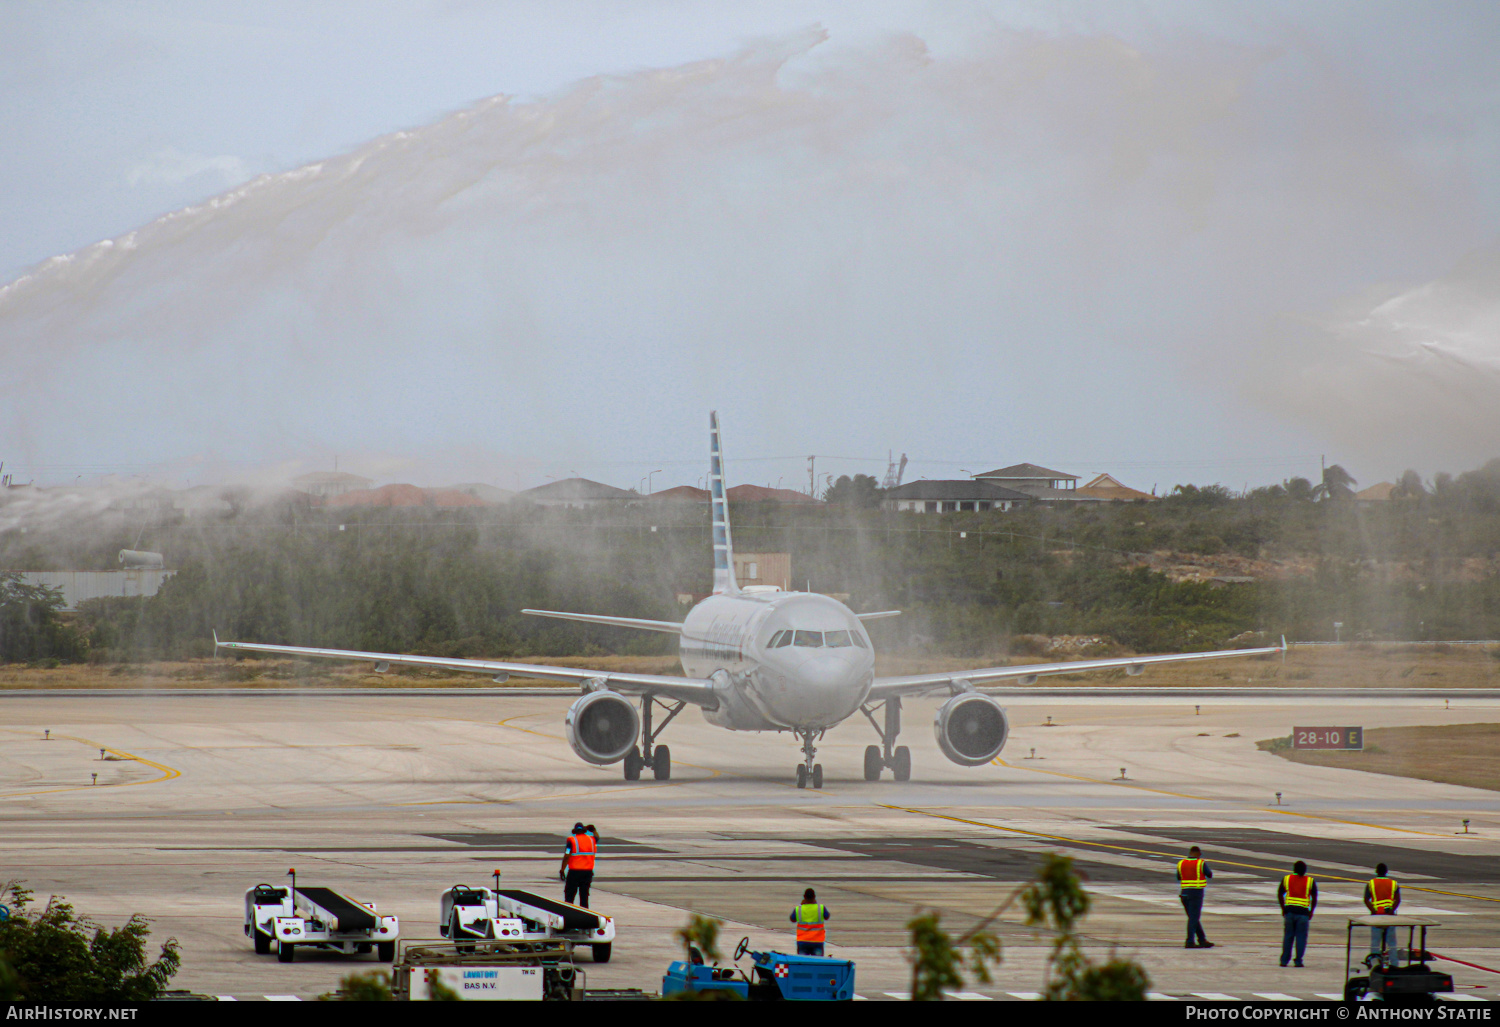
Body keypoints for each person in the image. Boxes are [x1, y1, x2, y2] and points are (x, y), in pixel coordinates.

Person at [1277, 860, 1317, 967]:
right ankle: (1298, 960)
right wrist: (1311, 911)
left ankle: (1284, 960)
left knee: (1288, 936)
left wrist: (1283, 908)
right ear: (1305, 870)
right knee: (1301, 938)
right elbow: (1314, 898)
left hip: (1289, 912)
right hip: (1303, 913)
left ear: (1294, 869)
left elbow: (1280, 893)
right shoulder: (1310, 881)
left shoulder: (1287, 879)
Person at [1177, 845, 1215, 949]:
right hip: (1196, 893)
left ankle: (1202, 939)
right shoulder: (1200, 863)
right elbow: (1209, 874)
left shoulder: (1181, 863)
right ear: (1198, 853)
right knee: (1194, 918)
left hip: (1184, 893)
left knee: (1193, 917)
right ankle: (1189, 941)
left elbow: (1178, 877)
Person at [1364, 863, 1401, 960]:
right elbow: (1398, 899)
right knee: (1392, 943)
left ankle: (1375, 963)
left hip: (1376, 916)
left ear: (1376, 871)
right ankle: (1394, 964)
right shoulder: (1393, 883)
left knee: (1375, 942)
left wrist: (1373, 911)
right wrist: (1391, 910)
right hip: (1389, 916)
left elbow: (1366, 899)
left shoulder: (1371, 883)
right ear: (1386, 872)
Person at [558, 823, 597, 908]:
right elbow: (597, 837)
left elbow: (567, 855)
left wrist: (562, 869)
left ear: (575, 831)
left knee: (569, 896)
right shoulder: (591, 840)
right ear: (584, 831)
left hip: (574, 873)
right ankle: (585, 915)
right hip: (587, 873)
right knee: (584, 896)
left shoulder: (572, 840)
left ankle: (568, 913)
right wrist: (593, 830)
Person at [790, 888, 830, 956]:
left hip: (803, 941)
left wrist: (801, 905)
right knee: (817, 963)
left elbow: (792, 919)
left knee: (803, 963)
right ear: (814, 897)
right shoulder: (820, 908)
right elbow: (827, 916)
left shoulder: (799, 909)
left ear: (804, 897)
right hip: (817, 941)